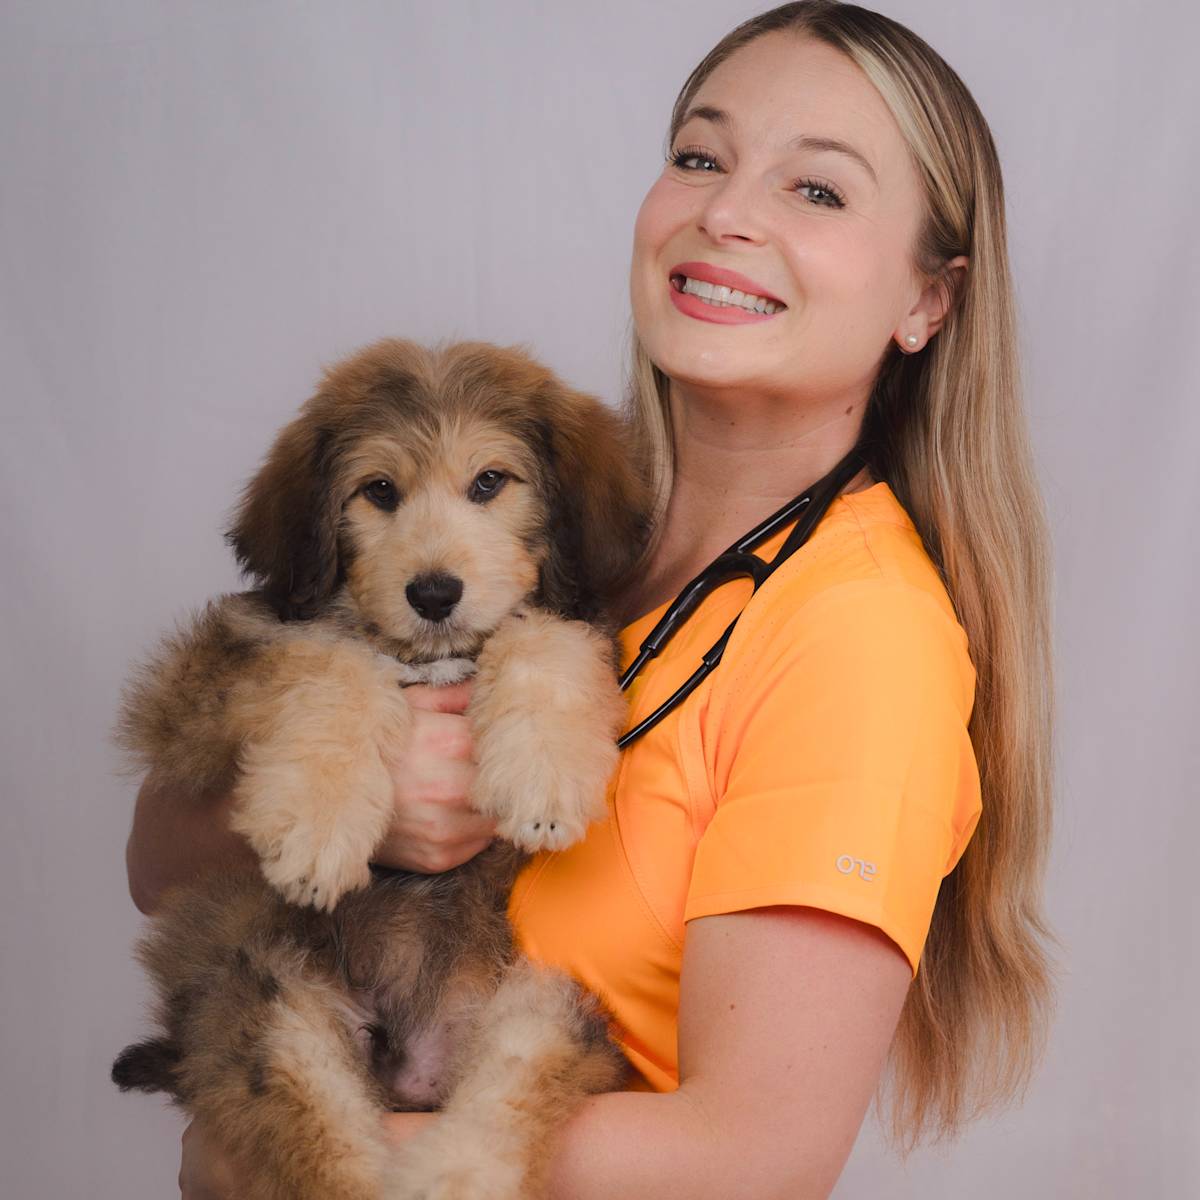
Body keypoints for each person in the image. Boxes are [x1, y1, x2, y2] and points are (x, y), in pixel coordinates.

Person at [126, 2, 1057, 1195]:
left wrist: (273, 1155)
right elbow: (160, 863)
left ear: (929, 299)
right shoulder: (565, 528)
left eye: (816, 191)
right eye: (700, 157)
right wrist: (359, 795)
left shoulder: (860, 639)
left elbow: (754, 1158)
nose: (727, 211)